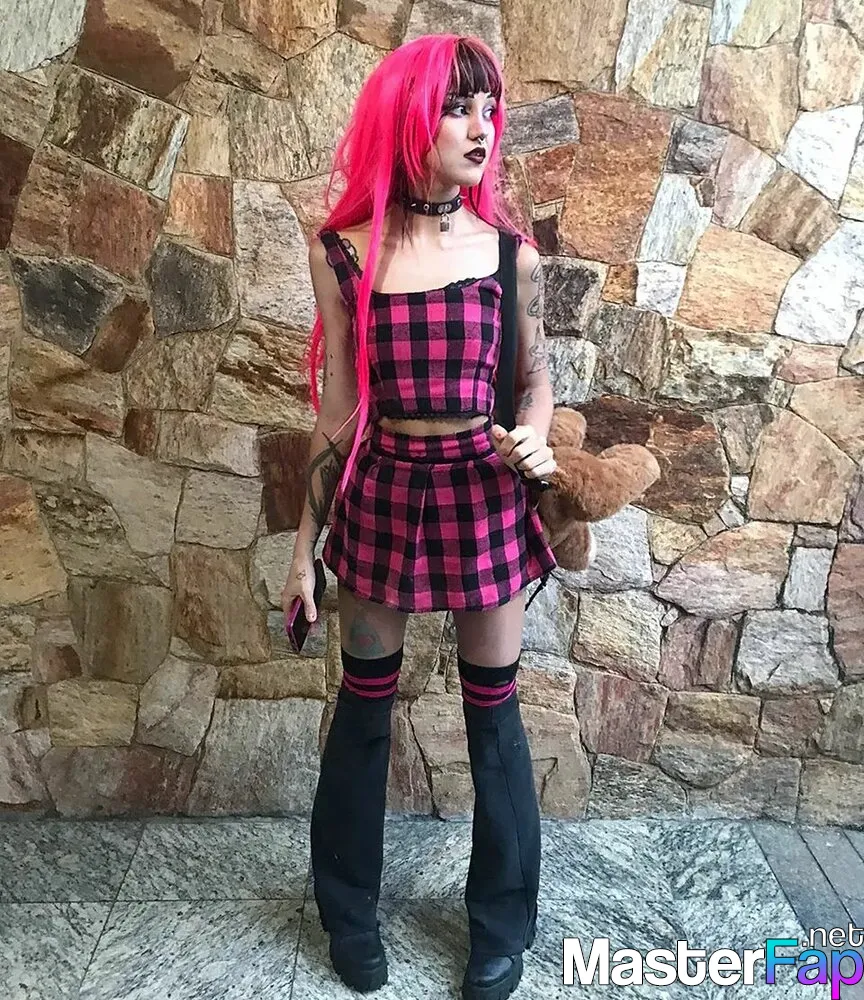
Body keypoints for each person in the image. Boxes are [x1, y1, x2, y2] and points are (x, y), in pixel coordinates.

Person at [282, 33, 558, 1000]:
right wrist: (301, 551)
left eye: (488, 108)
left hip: (485, 492)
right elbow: (338, 408)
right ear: (408, 117)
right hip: (384, 488)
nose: (482, 127)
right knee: (364, 711)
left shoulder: (513, 258)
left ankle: (502, 929)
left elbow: (535, 383)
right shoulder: (344, 252)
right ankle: (347, 912)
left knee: (495, 718)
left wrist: (535, 439)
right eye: (457, 107)